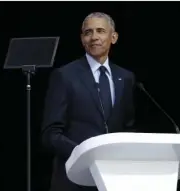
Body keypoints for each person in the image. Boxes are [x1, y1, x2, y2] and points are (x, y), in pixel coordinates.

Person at [41, 12, 136, 191]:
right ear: (82, 38)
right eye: (88, 32)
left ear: (113, 37)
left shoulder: (125, 77)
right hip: (74, 179)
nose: (94, 37)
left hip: (114, 179)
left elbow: (128, 127)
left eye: (100, 31)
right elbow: (50, 133)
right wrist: (85, 154)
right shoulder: (65, 76)